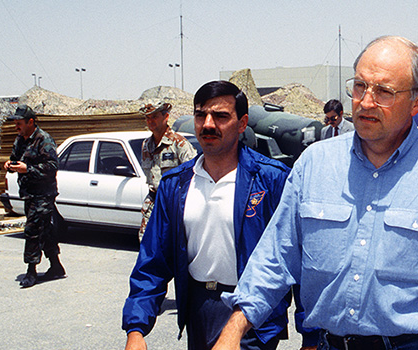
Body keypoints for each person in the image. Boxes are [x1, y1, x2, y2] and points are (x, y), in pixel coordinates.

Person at [213, 35, 418, 350]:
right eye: (359, 86)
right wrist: (234, 328)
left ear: (417, 102)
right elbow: (275, 257)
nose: (366, 102)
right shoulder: (314, 164)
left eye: (384, 91)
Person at [122, 81, 319, 350]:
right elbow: (153, 261)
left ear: (242, 123)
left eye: (221, 116)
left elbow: (299, 259)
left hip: (255, 316)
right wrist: (136, 329)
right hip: (199, 311)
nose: (208, 124)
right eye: (201, 115)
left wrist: (311, 335)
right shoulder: (175, 185)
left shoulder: (271, 180)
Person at [4, 104, 64, 288]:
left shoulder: (44, 140)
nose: (17, 127)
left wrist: (27, 169)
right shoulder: (20, 140)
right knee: (44, 229)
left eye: (19, 123)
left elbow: (52, 167)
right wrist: (10, 164)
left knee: (32, 230)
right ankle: (56, 266)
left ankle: (31, 271)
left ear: (31, 122)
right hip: (29, 193)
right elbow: (16, 157)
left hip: (43, 194)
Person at [138, 102, 196, 240]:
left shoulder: (179, 143)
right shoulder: (146, 145)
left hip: (174, 203)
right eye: (147, 118)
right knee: (146, 242)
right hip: (153, 202)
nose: (150, 121)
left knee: (172, 245)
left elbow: (193, 175)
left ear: (166, 117)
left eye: (154, 117)